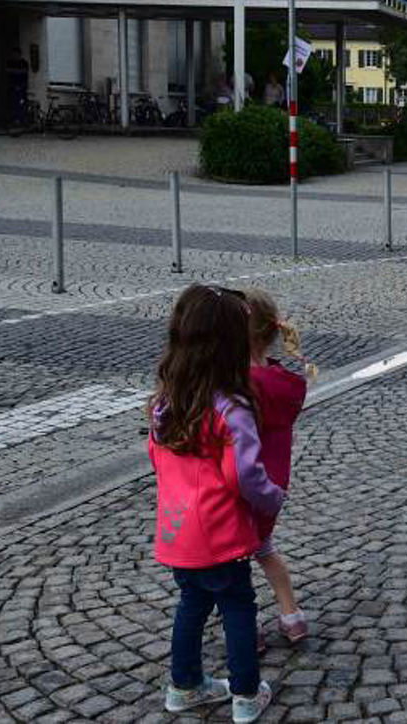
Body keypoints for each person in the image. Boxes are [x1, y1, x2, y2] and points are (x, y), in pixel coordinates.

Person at [147, 285, 281, 722]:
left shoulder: (166, 404)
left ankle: (183, 685)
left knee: (191, 605)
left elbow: (157, 459)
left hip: (177, 530)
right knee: (238, 607)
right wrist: (272, 497)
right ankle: (245, 694)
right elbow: (242, 475)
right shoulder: (231, 408)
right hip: (219, 533)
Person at [245, 290, 314, 643]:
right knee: (265, 549)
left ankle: (243, 627)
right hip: (272, 487)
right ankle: (292, 615)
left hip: (241, 489)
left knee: (233, 562)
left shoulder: (238, 387)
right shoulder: (282, 383)